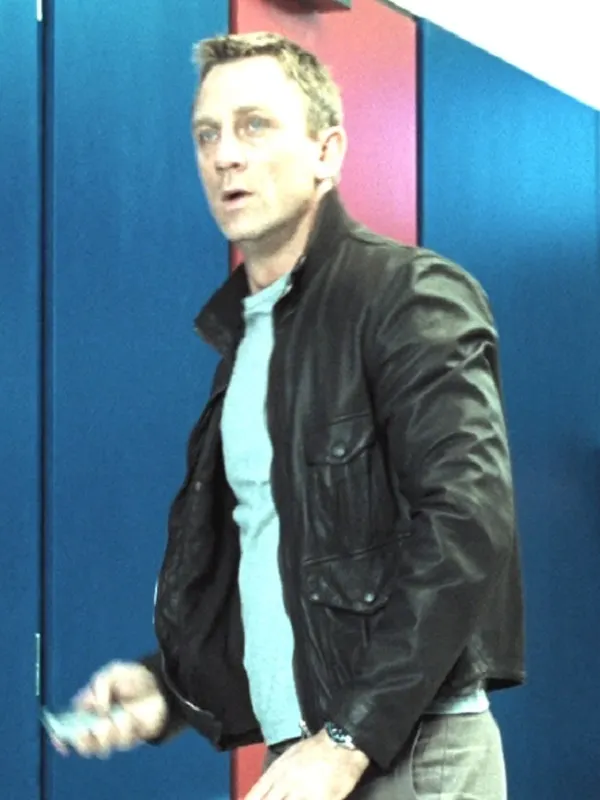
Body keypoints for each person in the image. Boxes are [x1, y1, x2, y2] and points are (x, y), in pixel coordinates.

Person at [57, 31, 524, 800]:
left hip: (412, 755)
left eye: (255, 125)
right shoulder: (249, 339)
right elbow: (286, 571)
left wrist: (348, 740)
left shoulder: (407, 296)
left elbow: (467, 521)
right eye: (207, 134)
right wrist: (168, 690)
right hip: (311, 755)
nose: (225, 155)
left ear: (326, 153)